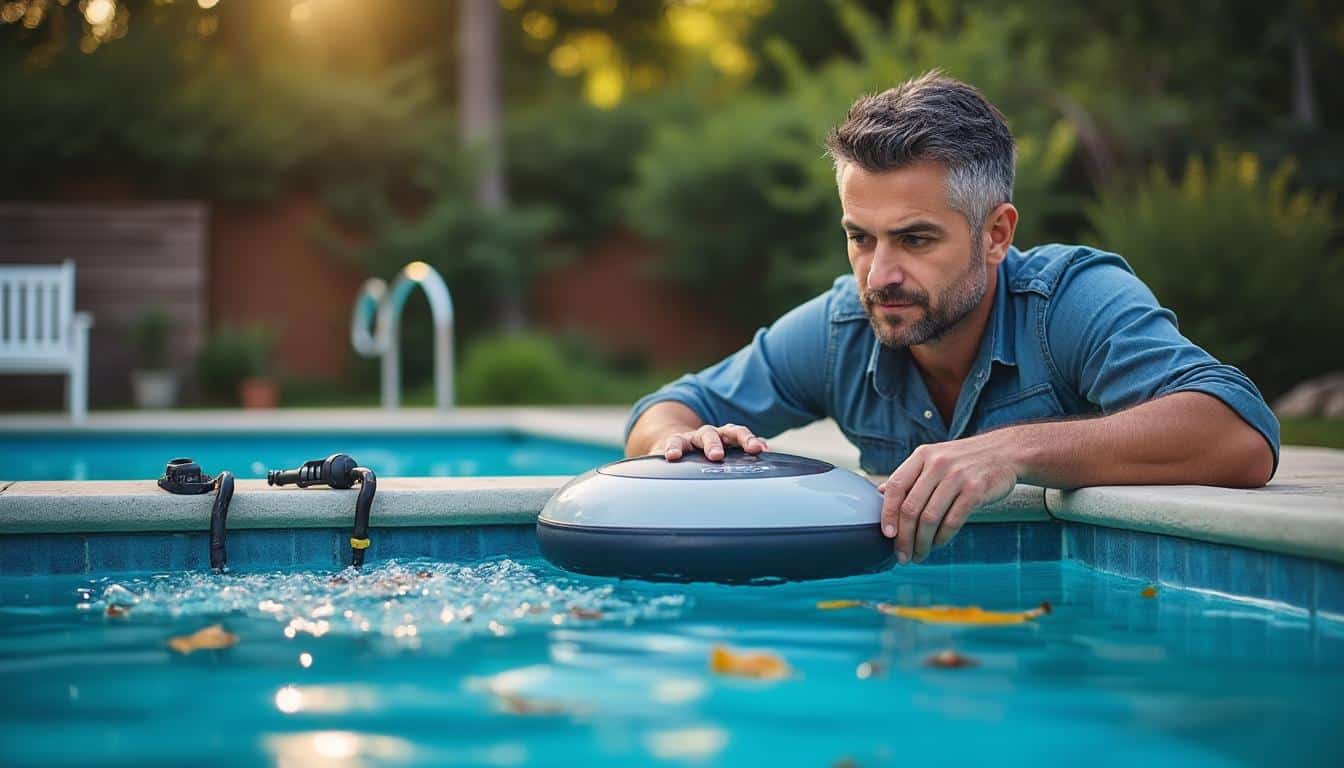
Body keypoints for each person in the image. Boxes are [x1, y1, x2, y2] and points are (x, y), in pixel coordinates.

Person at [623, 71, 1279, 566]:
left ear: (996, 235)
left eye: (914, 240)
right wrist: (678, 446)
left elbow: (1238, 433)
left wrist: (1011, 451)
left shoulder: (1071, 301)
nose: (878, 276)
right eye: (860, 238)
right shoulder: (842, 328)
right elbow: (668, 407)